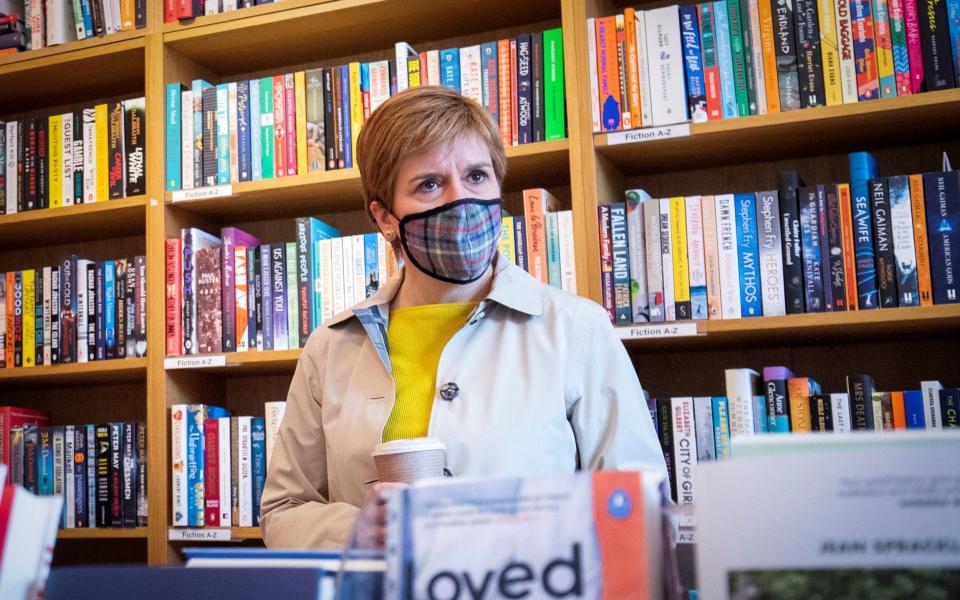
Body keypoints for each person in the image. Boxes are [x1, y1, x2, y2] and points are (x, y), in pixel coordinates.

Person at [260, 86, 666, 550]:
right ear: (384, 217)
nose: (463, 199)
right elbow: (283, 510)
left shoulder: (576, 330)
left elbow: (644, 513)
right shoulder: (331, 347)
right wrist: (352, 530)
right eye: (430, 184)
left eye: (477, 175)